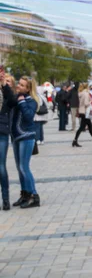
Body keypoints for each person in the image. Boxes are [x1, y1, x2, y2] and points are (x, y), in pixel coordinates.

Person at [10, 76, 41, 208]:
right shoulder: (16, 98)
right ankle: (25, 194)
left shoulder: (31, 101)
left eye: (22, 85)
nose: (19, 86)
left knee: (24, 167)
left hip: (27, 136)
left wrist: (22, 102)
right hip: (16, 136)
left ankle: (34, 195)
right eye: (19, 84)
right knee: (19, 168)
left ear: (28, 89)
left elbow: (28, 117)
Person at [0, 69, 14, 210]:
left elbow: (13, 101)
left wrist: (4, 85)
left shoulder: (5, 91)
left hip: (2, 132)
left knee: (1, 166)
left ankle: (5, 199)